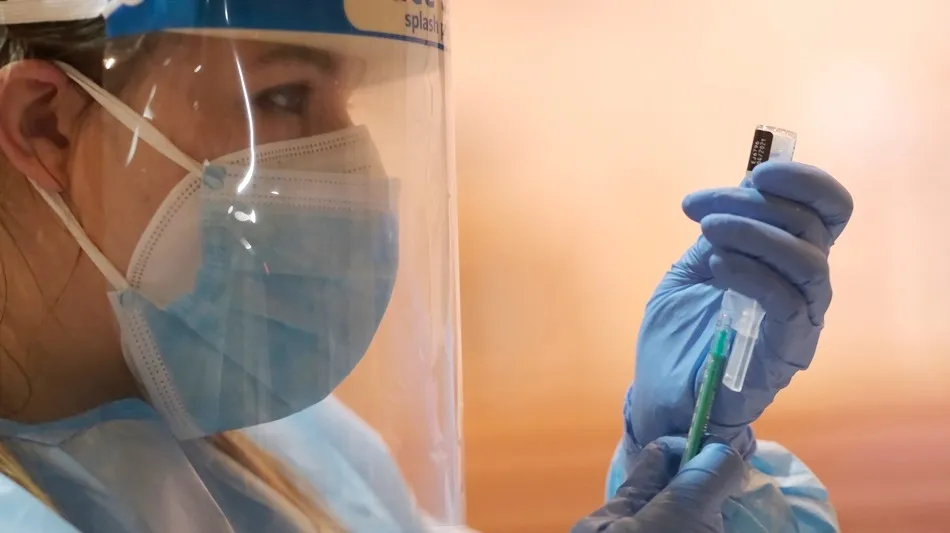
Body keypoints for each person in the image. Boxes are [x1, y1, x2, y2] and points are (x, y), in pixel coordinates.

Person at [0, 1, 852, 532]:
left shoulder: (301, 449)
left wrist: (672, 451)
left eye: (351, 106)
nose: (355, 163)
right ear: (47, 124)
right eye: (285, 96)